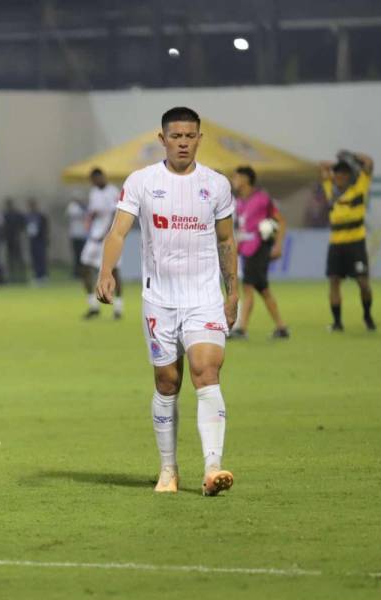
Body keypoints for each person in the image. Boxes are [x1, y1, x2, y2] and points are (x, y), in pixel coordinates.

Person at [95, 106, 239, 497]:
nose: (183, 143)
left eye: (190, 136)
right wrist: (106, 271)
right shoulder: (142, 182)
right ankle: (168, 469)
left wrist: (233, 291)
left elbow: (226, 241)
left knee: (205, 371)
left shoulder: (216, 185)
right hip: (159, 300)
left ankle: (212, 468)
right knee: (167, 381)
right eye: (175, 136)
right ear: (162, 139)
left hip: (204, 298)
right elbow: (118, 232)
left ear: (199, 139)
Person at [320, 150, 376, 332]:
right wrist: (336, 162)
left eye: (344, 172)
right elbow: (322, 167)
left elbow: (369, 163)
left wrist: (352, 156)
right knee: (334, 282)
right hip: (336, 244)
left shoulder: (359, 189)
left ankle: (367, 316)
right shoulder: (331, 190)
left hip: (356, 243)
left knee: (363, 283)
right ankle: (337, 322)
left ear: (350, 174)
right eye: (337, 172)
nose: (340, 175)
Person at [230, 166, 289, 339]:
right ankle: (281, 327)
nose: (233, 180)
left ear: (246, 179)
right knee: (263, 289)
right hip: (246, 250)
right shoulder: (239, 202)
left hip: (259, 248)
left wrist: (278, 246)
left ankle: (241, 329)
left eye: (236, 177)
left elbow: (281, 221)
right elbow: (242, 228)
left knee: (248, 287)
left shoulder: (262, 199)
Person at [81, 168, 123, 319]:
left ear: (102, 177)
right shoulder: (93, 193)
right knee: (85, 267)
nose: (95, 182)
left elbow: (115, 213)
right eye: (93, 180)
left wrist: (107, 232)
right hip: (94, 237)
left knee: (114, 271)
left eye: (97, 179)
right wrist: (88, 220)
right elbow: (93, 212)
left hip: (109, 238)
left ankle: (118, 307)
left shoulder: (112, 191)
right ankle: (93, 306)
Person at [25, 198, 49, 284]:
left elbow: (45, 228)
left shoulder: (40, 215)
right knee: (34, 257)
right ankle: (37, 275)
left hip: (40, 239)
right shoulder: (28, 216)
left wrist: (46, 238)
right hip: (32, 239)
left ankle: (43, 276)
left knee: (41, 257)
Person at [66, 197, 88, 280]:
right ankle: (76, 272)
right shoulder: (72, 206)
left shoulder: (84, 207)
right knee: (76, 255)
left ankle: (83, 273)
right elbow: (72, 214)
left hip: (82, 235)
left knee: (82, 255)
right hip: (74, 235)